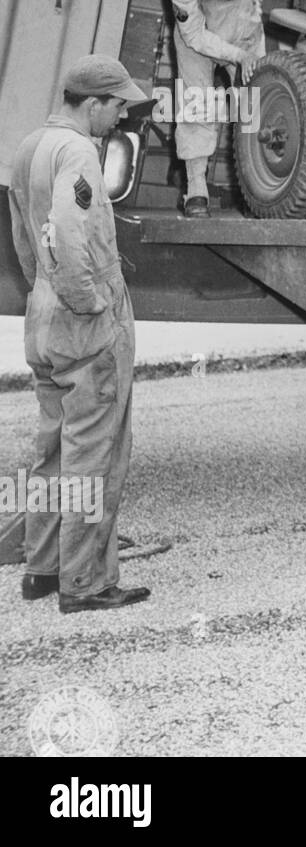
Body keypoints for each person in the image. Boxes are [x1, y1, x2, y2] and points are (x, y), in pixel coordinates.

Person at [7, 56, 155, 613]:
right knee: (97, 455)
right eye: (117, 106)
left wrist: (44, 289)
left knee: (52, 451)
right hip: (83, 318)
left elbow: (24, 236)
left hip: (43, 314)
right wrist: (89, 299)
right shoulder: (78, 153)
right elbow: (69, 232)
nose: (120, 117)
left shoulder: (29, 147)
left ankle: (42, 569)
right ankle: (87, 583)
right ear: (92, 103)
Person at [163, 0, 306, 217]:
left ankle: (259, 189)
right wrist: (236, 56)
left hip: (243, 29)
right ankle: (195, 190)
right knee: (196, 105)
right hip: (200, 41)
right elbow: (192, 34)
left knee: (252, 110)